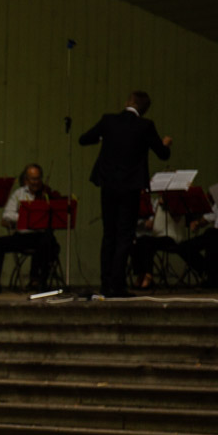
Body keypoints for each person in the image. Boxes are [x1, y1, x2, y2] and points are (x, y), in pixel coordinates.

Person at [80, 90, 172, 297]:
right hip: (130, 187)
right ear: (145, 108)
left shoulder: (108, 121)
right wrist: (165, 144)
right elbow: (162, 154)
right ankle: (118, 285)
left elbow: (84, 139)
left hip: (109, 185)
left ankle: (105, 284)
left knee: (109, 234)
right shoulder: (146, 126)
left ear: (128, 102)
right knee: (125, 235)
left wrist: (103, 137)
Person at [0, 163, 60, 293]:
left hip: (41, 236)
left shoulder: (47, 194)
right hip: (23, 236)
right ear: (26, 180)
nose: (36, 182)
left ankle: (39, 280)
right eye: (32, 179)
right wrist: (23, 217)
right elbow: (7, 214)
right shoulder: (19, 194)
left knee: (47, 243)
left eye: (38, 178)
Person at [131, 194, 184, 289]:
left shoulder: (177, 202)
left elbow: (177, 218)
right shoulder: (156, 202)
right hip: (157, 236)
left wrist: (168, 205)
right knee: (139, 241)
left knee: (146, 241)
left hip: (170, 237)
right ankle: (141, 273)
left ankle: (148, 274)